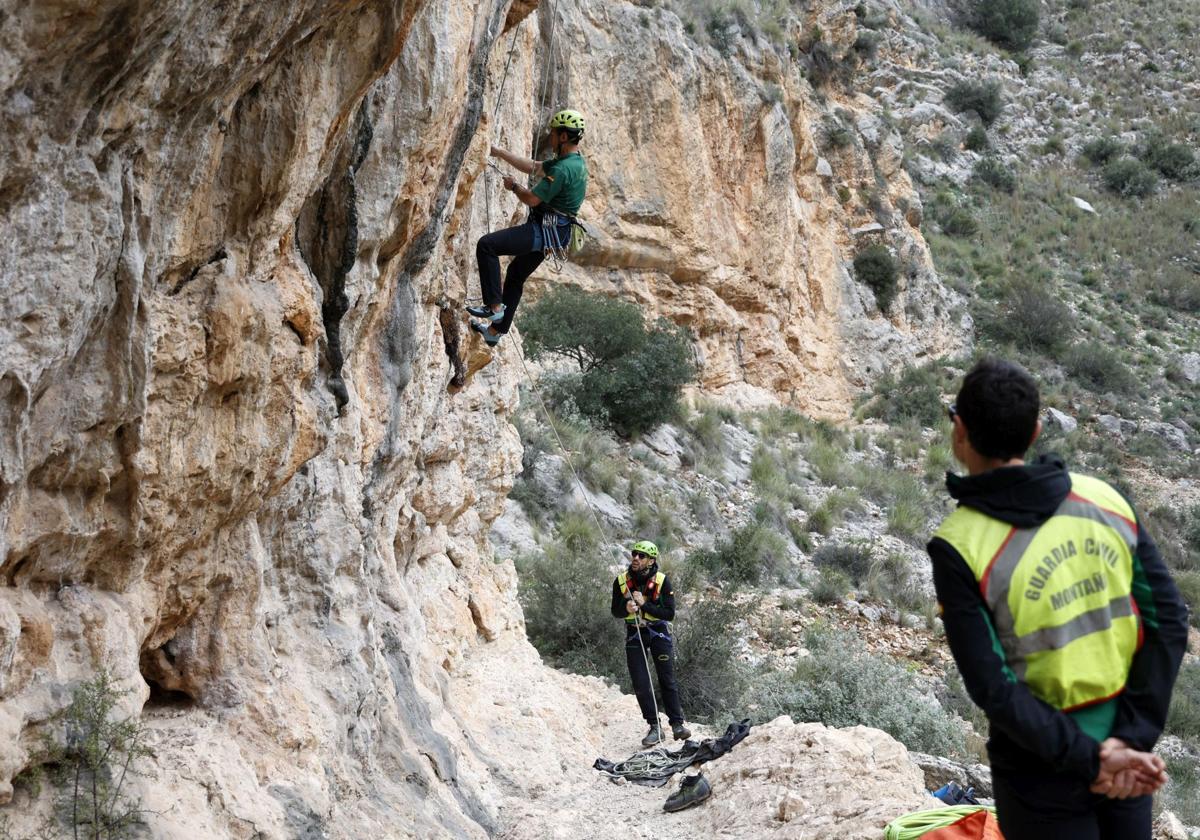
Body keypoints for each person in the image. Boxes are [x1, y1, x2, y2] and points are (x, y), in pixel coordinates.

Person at [928, 357, 1190, 840]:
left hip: (1038, 768)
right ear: (1036, 431)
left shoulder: (959, 543)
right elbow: (1170, 621)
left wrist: (1092, 759)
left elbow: (993, 687)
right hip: (1124, 754)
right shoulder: (1104, 500)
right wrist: (1127, 742)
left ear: (960, 431)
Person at [466, 109, 588, 346]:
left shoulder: (563, 169)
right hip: (555, 234)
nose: (550, 137)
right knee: (515, 274)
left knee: (487, 245)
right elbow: (534, 166)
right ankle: (494, 332)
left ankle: (493, 307)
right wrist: (499, 152)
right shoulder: (574, 162)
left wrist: (513, 187)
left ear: (563, 137)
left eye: (553, 133)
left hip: (544, 231)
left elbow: (532, 199)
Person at [610, 540, 692, 747]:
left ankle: (677, 725)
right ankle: (655, 727)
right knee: (640, 681)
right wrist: (626, 608)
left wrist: (645, 604)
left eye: (641, 556)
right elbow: (615, 611)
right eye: (634, 554)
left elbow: (669, 613)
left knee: (667, 679)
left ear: (651, 560)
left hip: (658, 634)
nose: (636, 558)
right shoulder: (621, 581)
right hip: (634, 634)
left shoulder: (662, 581)